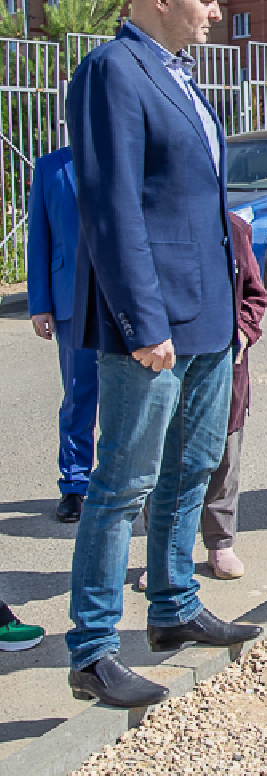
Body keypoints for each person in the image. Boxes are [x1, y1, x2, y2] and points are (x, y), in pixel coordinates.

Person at [64, 0, 261, 710]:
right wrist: (144, 322)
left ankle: (175, 605)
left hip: (208, 318)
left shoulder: (179, 76)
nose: (217, 11)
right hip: (153, 326)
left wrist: (235, 309)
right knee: (122, 483)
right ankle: (91, 649)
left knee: (192, 466)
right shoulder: (113, 72)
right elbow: (111, 209)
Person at [26, 145, 98, 524]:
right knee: (78, 395)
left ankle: (123, 486)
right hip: (70, 300)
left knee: (132, 398)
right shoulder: (50, 166)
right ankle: (74, 484)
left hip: (120, 300)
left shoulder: (125, 155)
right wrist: (40, 303)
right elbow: (39, 234)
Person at [198, 212, 267, 579]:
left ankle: (220, 543)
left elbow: (255, 296)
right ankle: (161, 552)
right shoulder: (157, 223)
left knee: (225, 457)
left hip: (227, 366)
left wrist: (242, 332)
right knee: (165, 463)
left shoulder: (234, 228)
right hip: (171, 363)